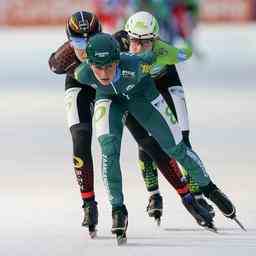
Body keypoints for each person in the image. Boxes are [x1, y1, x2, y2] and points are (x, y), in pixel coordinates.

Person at [48, 10, 210, 238]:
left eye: (89, 40)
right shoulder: (62, 59)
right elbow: (54, 63)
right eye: (76, 42)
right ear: (68, 40)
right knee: (81, 138)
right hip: (82, 87)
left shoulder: (117, 42)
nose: (84, 48)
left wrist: (173, 55)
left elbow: (155, 51)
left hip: (113, 91)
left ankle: (186, 196)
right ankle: (89, 204)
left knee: (147, 141)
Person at [122, 11, 239, 224]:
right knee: (146, 144)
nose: (138, 47)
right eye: (134, 41)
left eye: (145, 42)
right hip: (140, 91)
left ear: (155, 41)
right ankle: (154, 195)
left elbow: (187, 52)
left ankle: (197, 194)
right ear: (127, 38)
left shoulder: (165, 51)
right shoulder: (118, 46)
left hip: (167, 84)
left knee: (182, 140)